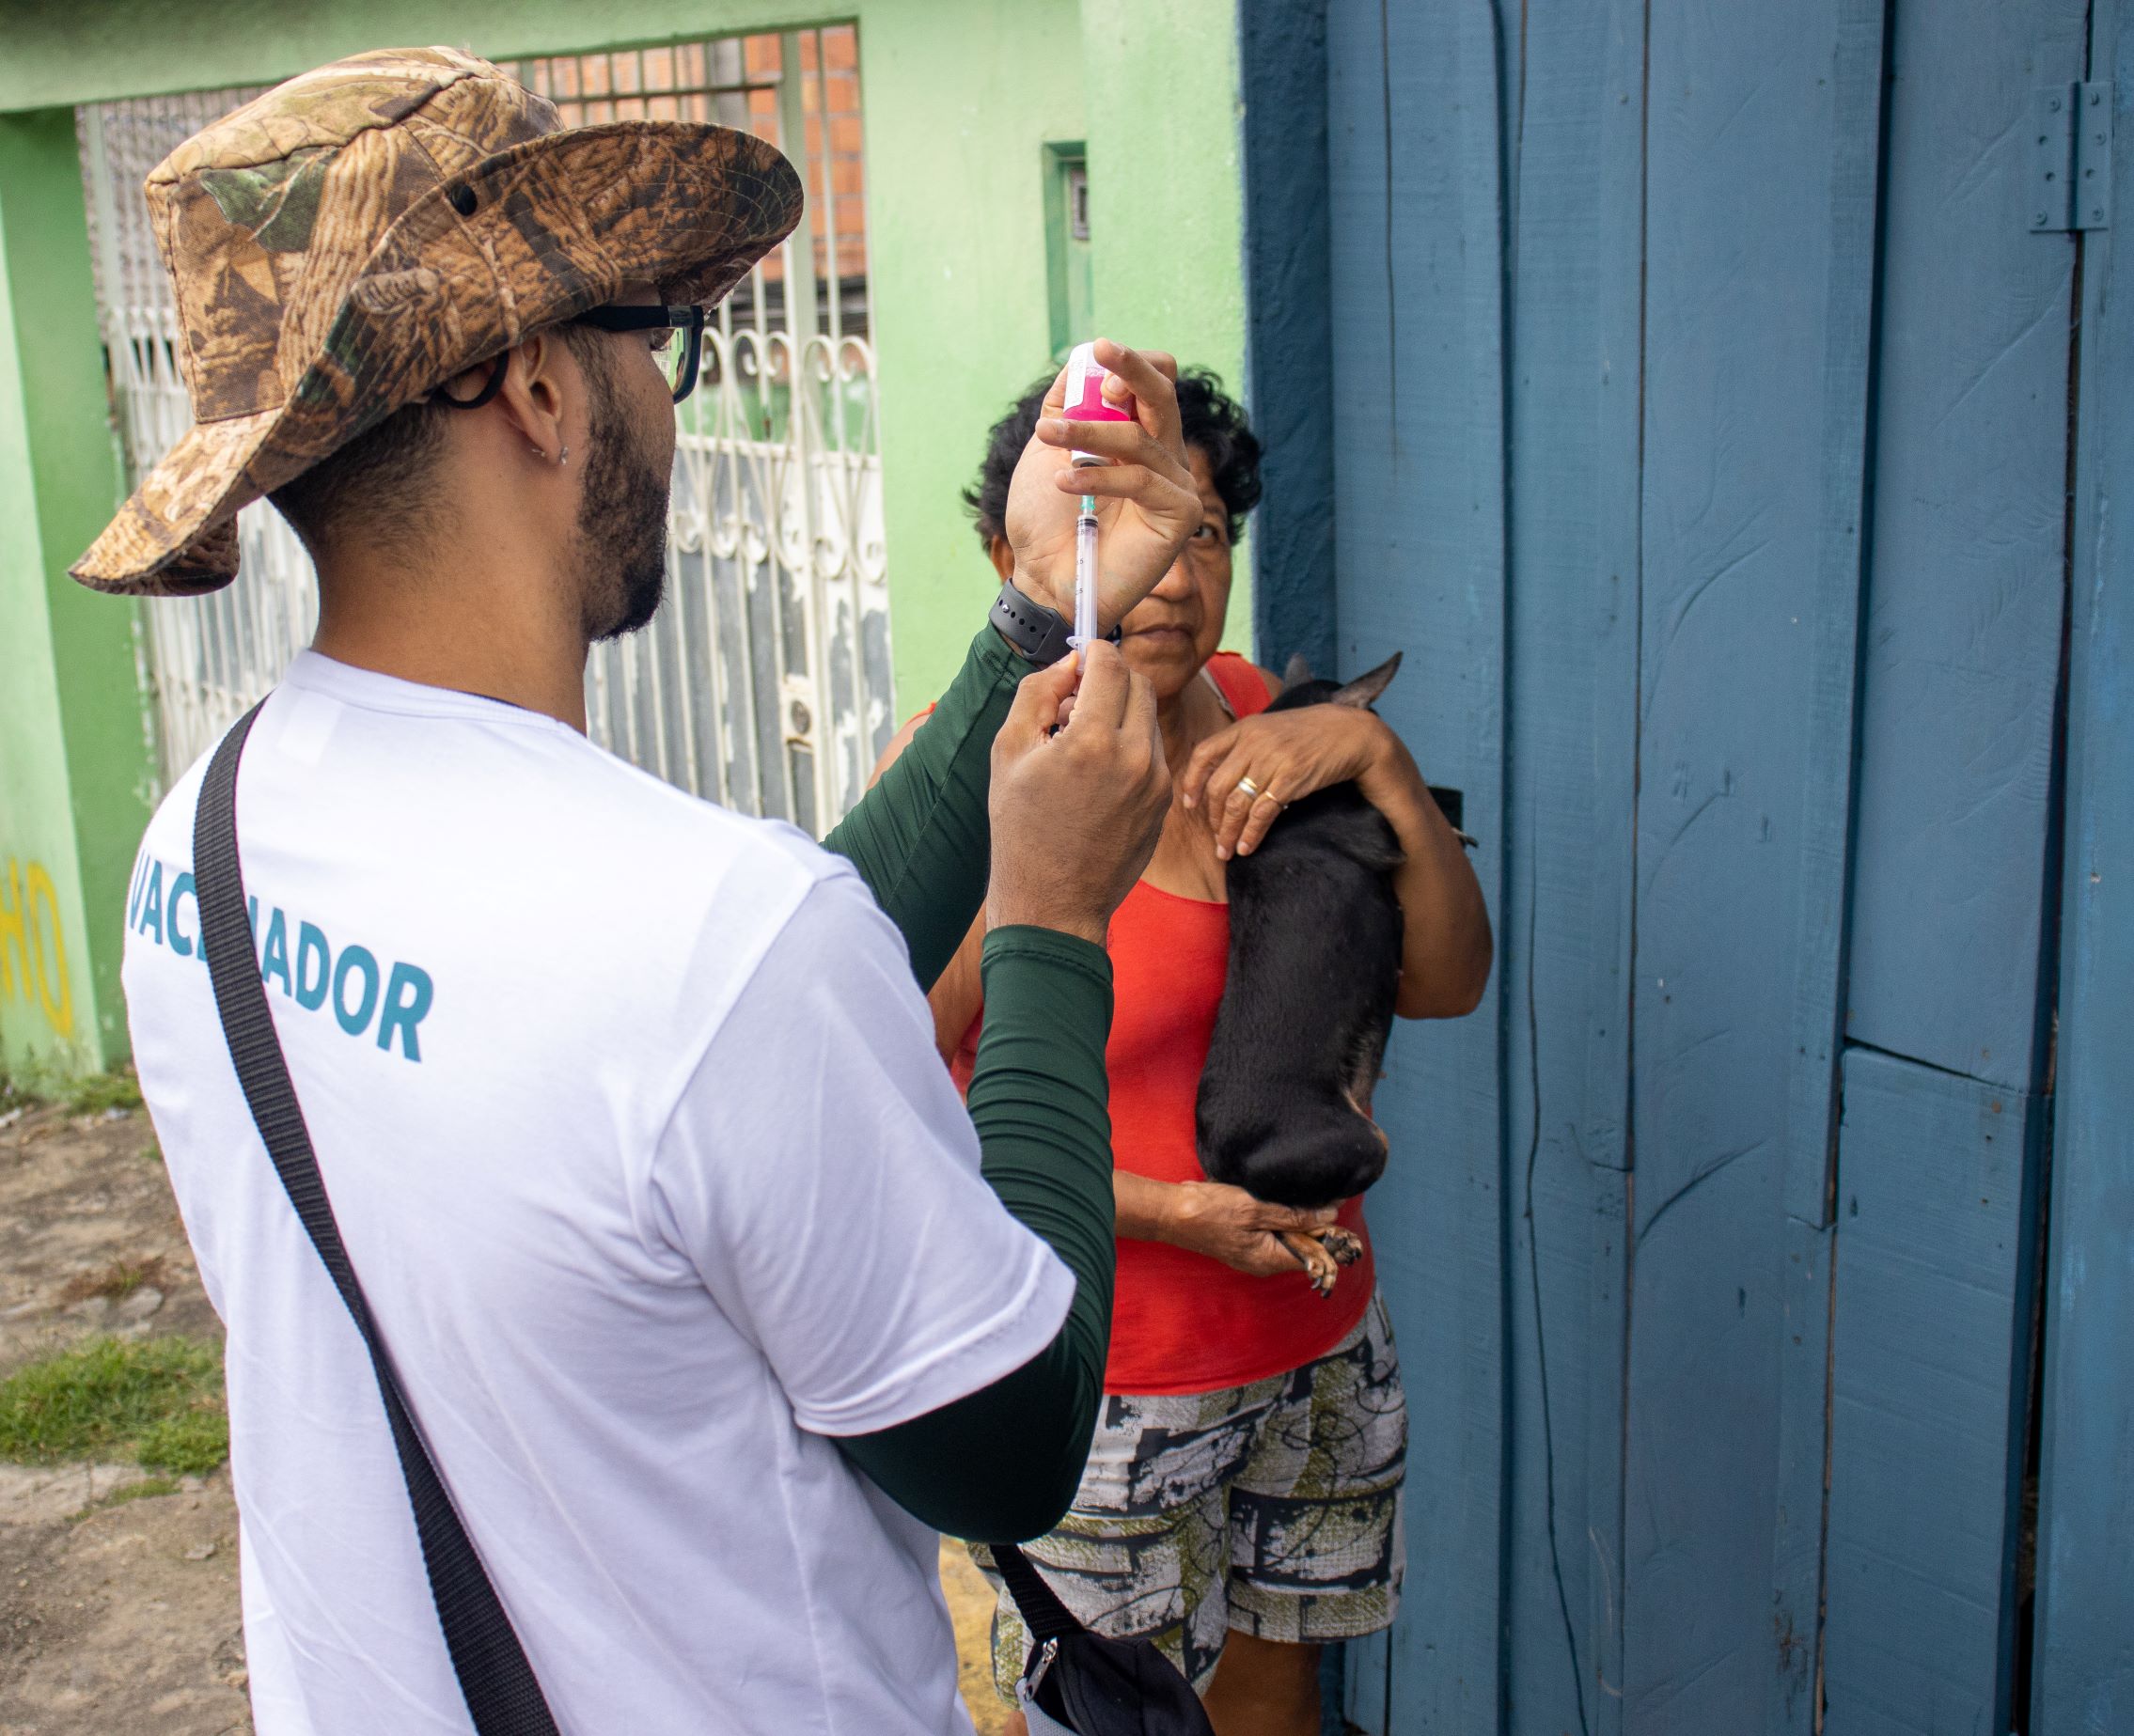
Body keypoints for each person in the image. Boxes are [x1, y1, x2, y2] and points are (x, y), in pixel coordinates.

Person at [80, 49, 1205, 1735]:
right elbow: (1008, 1450)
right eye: (654, 344)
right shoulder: (699, 943)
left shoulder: (205, 837)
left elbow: (700, 1055)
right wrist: (1048, 924)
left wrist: (1035, 609)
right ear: (540, 389)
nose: (669, 405)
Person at [878, 370, 1493, 1736]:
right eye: (1119, 531)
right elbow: (879, 1118)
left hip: (1314, 1341)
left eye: (1202, 530)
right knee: (1111, 1719)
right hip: (1106, 1386)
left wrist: (1378, 764)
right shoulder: (977, 784)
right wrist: (1172, 1213)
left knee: (1278, 1691)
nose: (1169, 574)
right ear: (1019, 556)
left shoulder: (1267, 723)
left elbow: (1446, 984)